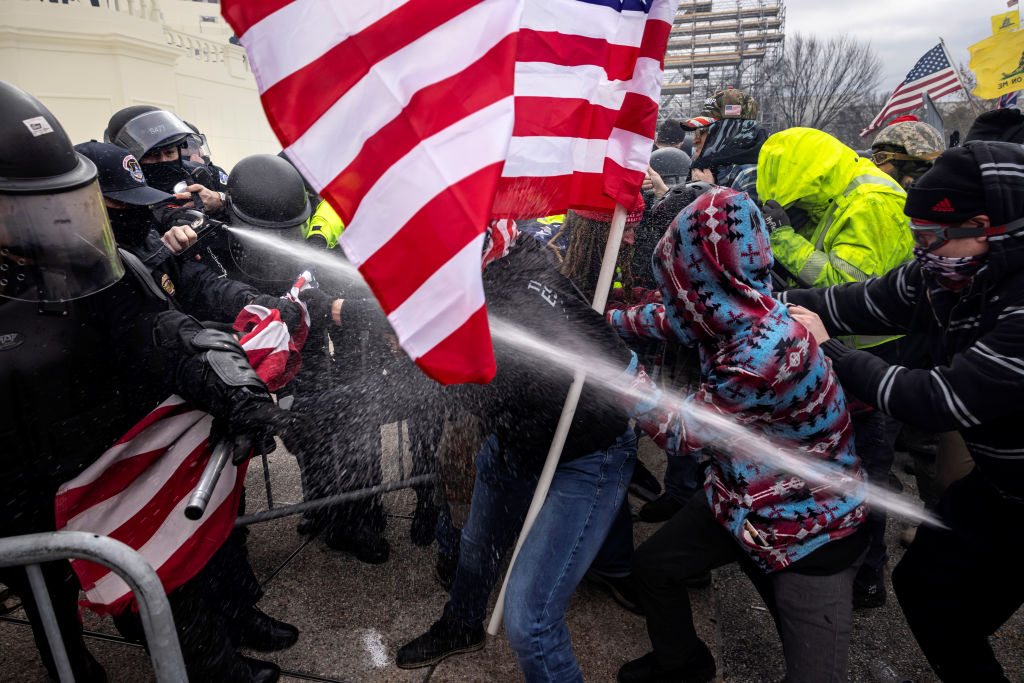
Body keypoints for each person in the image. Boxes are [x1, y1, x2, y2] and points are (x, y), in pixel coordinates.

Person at [0, 80, 303, 683]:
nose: (49, 225)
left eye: (58, 204)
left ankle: (215, 666)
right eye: (24, 210)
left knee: (166, 573)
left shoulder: (88, 257)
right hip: (18, 487)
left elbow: (160, 327)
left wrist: (234, 385)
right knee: (47, 591)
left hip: (108, 457)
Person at [783, 140, 1024, 682]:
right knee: (927, 587)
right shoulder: (949, 270)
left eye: (927, 239)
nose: (919, 254)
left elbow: (943, 399)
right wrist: (762, 300)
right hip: (1001, 484)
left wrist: (831, 352)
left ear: (984, 226)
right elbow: (863, 299)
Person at [610, 187, 867, 683]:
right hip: (742, 497)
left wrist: (617, 369)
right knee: (655, 568)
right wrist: (608, 323)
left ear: (703, 275)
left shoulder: (761, 353)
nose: (676, 292)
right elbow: (675, 320)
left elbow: (682, 433)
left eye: (681, 278)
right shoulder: (744, 305)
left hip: (808, 526)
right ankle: (683, 664)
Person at [396, 224, 639, 681]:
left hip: (584, 457)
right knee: (477, 547)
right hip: (512, 446)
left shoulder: (519, 284)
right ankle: (462, 624)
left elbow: (614, 358)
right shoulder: (463, 283)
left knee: (530, 619)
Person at [758, 126, 913, 608]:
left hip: (874, 354)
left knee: (867, 469)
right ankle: (828, 554)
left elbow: (848, 285)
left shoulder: (873, 203)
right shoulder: (832, 197)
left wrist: (782, 237)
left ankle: (867, 576)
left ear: (813, 175)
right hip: (833, 348)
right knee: (831, 460)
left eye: (799, 199)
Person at [104, 105, 226, 216]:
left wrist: (219, 200)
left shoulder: (203, 173)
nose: (163, 160)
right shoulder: (120, 193)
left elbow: (241, 201)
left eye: (169, 153)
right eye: (153, 155)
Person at [681, 87, 767, 198]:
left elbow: (745, 215)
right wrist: (661, 192)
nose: (695, 140)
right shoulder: (707, 164)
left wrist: (707, 192)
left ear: (732, 132)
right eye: (697, 131)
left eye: (704, 131)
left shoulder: (750, 175)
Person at [870, 120, 944, 190]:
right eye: (872, 158)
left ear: (912, 161)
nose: (873, 165)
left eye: (880, 157)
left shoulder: (945, 200)